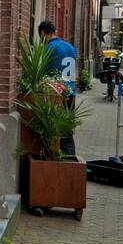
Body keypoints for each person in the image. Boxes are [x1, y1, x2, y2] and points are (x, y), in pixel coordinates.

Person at [37, 21, 78, 157]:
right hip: (71, 93)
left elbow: (42, 72)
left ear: (43, 33)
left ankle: (58, 159)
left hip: (55, 95)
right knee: (66, 129)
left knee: (53, 130)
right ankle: (70, 158)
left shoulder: (48, 48)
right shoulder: (70, 48)